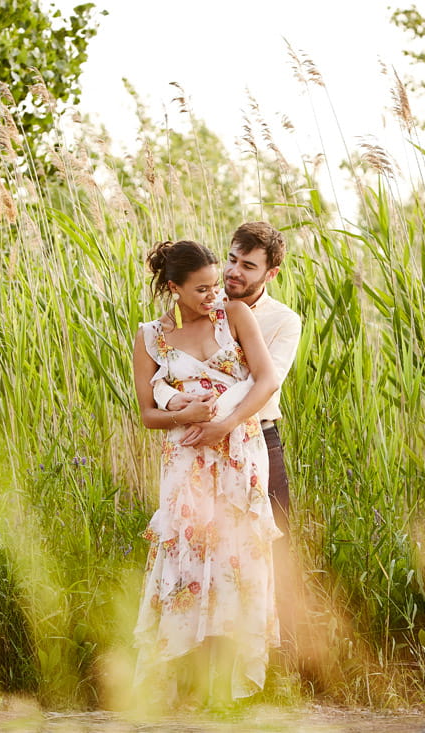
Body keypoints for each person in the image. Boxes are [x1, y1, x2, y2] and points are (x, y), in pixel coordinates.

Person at [132, 239, 282, 703]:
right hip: (186, 462)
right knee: (189, 560)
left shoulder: (234, 315)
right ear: (173, 288)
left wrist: (223, 424)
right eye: (200, 290)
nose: (212, 296)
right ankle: (184, 684)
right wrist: (184, 415)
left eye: (216, 285)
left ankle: (229, 687)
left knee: (236, 558)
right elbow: (146, 415)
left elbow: (267, 379)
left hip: (237, 453)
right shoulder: (150, 337)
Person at [154, 222, 301, 531]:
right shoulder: (202, 303)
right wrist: (174, 401)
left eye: (248, 266)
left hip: (258, 436)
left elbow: (265, 382)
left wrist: (223, 425)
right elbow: (168, 366)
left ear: (270, 274)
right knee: (203, 543)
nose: (234, 271)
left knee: (269, 544)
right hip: (198, 440)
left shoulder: (283, 320)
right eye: (232, 259)